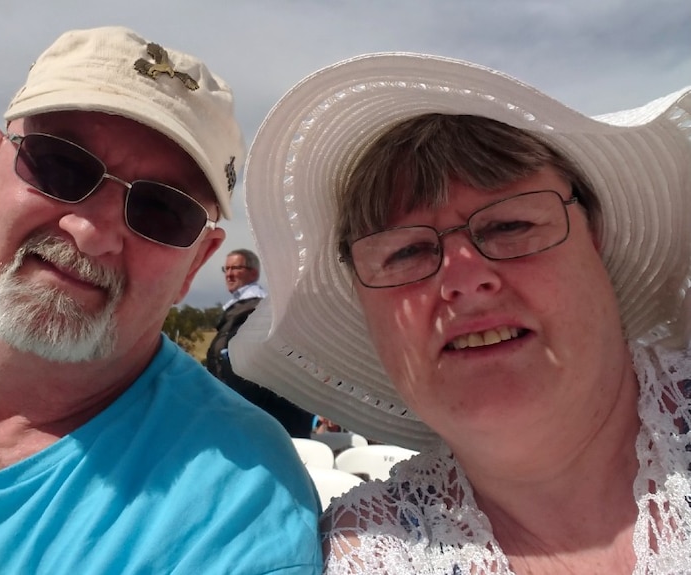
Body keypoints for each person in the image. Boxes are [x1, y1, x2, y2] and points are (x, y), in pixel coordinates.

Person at [0, 26, 320, 574]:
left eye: (163, 210)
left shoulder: (237, 510)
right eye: (60, 166)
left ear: (195, 264)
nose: (91, 231)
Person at [230, 52, 691, 573]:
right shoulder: (363, 553)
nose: (465, 280)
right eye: (404, 252)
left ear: (596, 239)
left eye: (510, 225)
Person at [207, 248, 314, 437]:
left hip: (260, 416)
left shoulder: (255, 310)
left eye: (236, 268)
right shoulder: (241, 309)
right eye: (226, 269)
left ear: (253, 273)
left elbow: (250, 374)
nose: (229, 274)